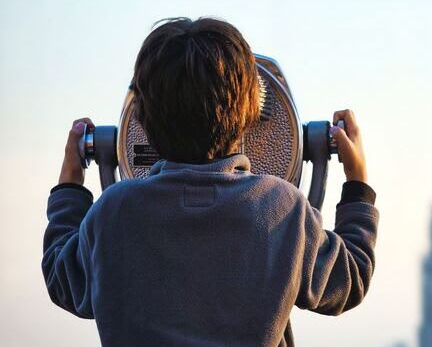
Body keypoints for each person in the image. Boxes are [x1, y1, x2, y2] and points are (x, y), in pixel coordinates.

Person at [42, 18, 379, 347]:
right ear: (250, 111)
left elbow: (63, 281)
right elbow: (350, 278)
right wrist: (357, 184)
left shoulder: (114, 212)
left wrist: (70, 186)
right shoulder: (282, 208)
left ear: (140, 117)